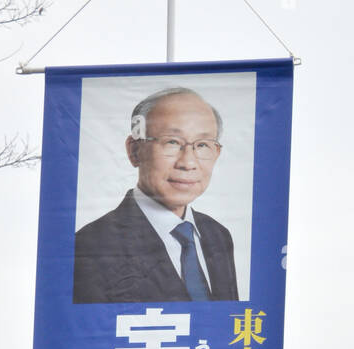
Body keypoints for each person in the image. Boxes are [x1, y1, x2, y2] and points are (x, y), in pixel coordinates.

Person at [74, 87, 239, 304]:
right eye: (172, 142)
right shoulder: (90, 246)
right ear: (134, 151)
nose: (188, 163)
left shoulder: (218, 236)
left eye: (202, 145)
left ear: (216, 153)